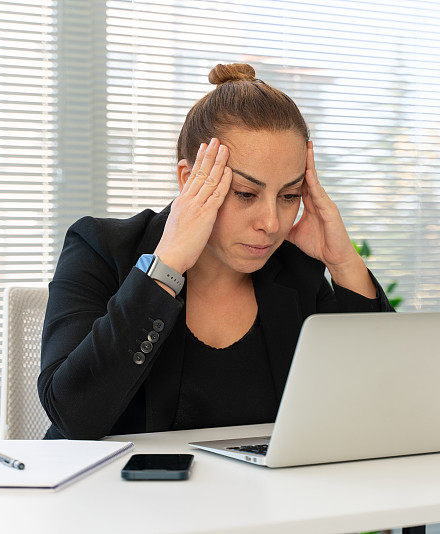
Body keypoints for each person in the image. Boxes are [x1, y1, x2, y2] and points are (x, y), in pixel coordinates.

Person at [38, 63, 396, 440]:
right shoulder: (99, 247)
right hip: (117, 493)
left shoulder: (294, 271)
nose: (271, 223)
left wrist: (343, 263)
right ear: (190, 180)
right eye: (245, 194)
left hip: (261, 496)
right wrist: (168, 264)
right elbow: (73, 414)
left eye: (289, 196)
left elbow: (378, 403)